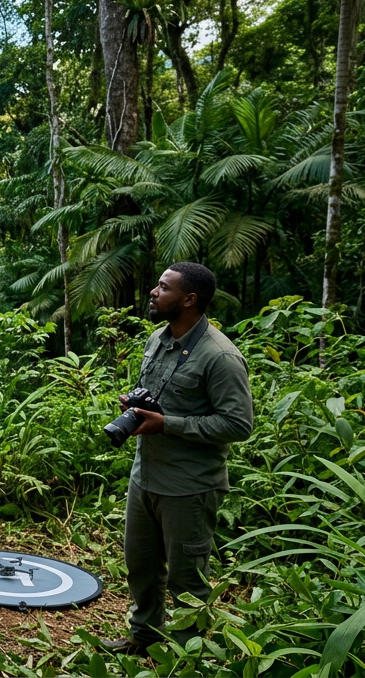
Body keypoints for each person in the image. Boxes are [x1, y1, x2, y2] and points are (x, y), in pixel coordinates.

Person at [100, 262, 254, 654]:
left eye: (164, 287)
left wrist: (167, 424)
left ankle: (188, 654)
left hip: (189, 486)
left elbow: (238, 424)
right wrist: (137, 407)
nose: (153, 292)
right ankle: (144, 638)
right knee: (141, 565)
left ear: (189, 300)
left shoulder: (221, 356)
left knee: (187, 579)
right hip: (146, 476)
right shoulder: (158, 339)